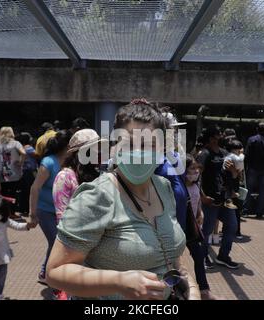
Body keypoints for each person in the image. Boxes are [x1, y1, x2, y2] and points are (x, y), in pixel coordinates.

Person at [45, 100, 199, 300]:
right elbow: (55, 272)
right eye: (129, 144)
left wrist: (192, 288)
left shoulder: (164, 187)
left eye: (148, 145)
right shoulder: (96, 196)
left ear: (162, 149)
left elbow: (171, 253)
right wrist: (120, 281)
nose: (139, 152)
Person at [29, 131, 72, 299]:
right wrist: (32, 214)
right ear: (66, 146)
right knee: (56, 242)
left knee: (57, 242)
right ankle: (50, 277)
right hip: (45, 211)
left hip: (62, 212)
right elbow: (35, 188)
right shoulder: (48, 162)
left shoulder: (69, 161)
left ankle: (44, 273)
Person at [197, 125, 240, 269]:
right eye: (219, 134)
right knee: (207, 230)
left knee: (232, 225)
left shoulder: (224, 153)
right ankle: (202, 258)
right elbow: (196, 176)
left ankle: (223, 256)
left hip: (225, 199)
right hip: (210, 200)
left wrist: (233, 170)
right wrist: (202, 197)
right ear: (211, 138)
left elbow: (233, 175)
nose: (222, 136)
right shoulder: (204, 154)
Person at [183, 154, 218, 300]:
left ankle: (204, 291)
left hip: (193, 228)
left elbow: (198, 200)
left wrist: (200, 212)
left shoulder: (196, 184)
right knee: (174, 261)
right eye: (192, 168)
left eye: (197, 169)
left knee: (199, 256)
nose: (196, 172)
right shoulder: (177, 187)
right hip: (180, 228)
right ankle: (179, 290)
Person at [52, 129, 106, 220]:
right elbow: (62, 215)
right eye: (94, 148)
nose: (98, 152)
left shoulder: (98, 174)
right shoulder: (64, 177)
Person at [243, 122, 264, 219]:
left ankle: (245, 210)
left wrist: (246, 167)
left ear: (257, 129)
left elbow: (247, 154)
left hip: (253, 167)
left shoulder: (252, 140)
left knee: (248, 190)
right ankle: (260, 212)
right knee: (262, 191)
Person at [0, 127, 26, 216]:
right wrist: (21, 163)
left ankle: (4, 213)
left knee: (4, 193)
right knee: (13, 193)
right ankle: (12, 213)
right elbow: (23, 153)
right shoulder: (16, 143)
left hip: (2, 173)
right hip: (15, 173)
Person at [17, 132, 37, 216]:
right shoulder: (29, 148)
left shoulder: (20, 148)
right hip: (29, 172)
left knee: (24, 190)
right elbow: (37, 155)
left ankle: (22, 208)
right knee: (30, 190)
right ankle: (29, 209)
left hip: (23, 171)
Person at [222, 139, 245, 210]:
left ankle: (232, 193)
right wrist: (241, 154)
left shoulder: (232, 155)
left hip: (233, 178)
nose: (239, 151)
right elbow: (240, 161)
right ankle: (231, 194)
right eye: (238, 149)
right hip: (227, 174)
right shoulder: (232, 155)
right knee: (229, 183)